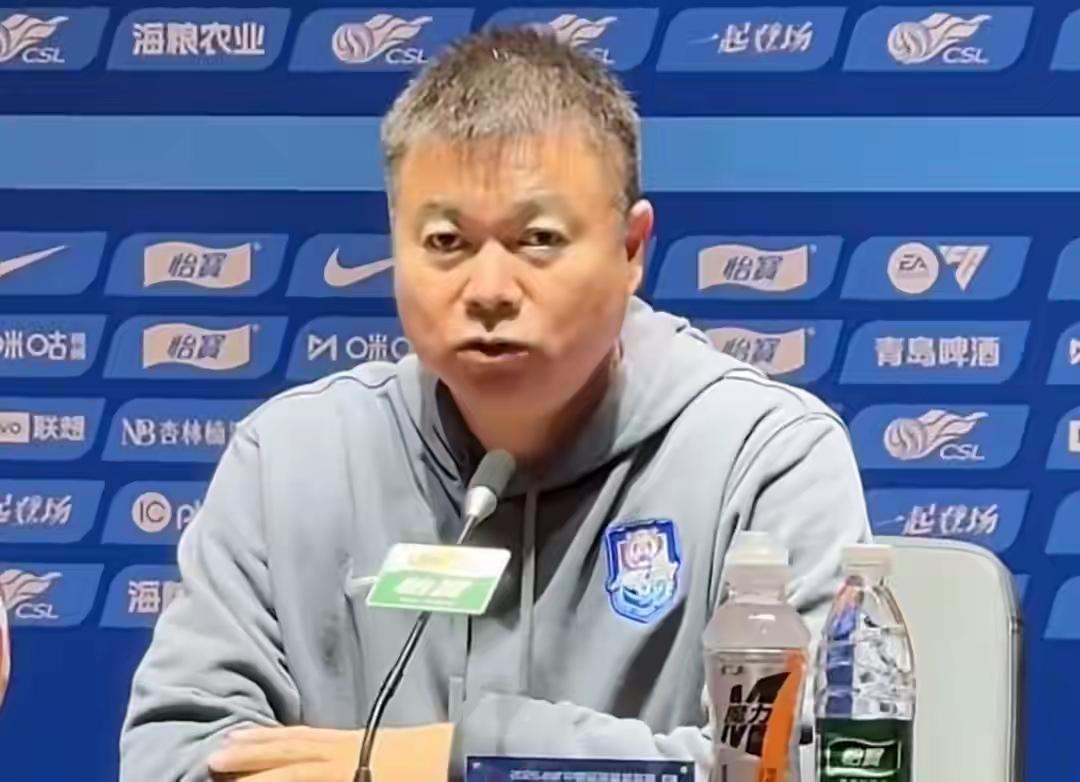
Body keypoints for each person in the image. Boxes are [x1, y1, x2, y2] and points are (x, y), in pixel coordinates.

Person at [119, 27, 870, 782]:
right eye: (446, 242)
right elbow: (174, 758)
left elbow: (803, 766)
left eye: (537, 238)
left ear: (631, 249)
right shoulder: (291, 458)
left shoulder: (765, 458)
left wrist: (454, 759)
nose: (488, 291)